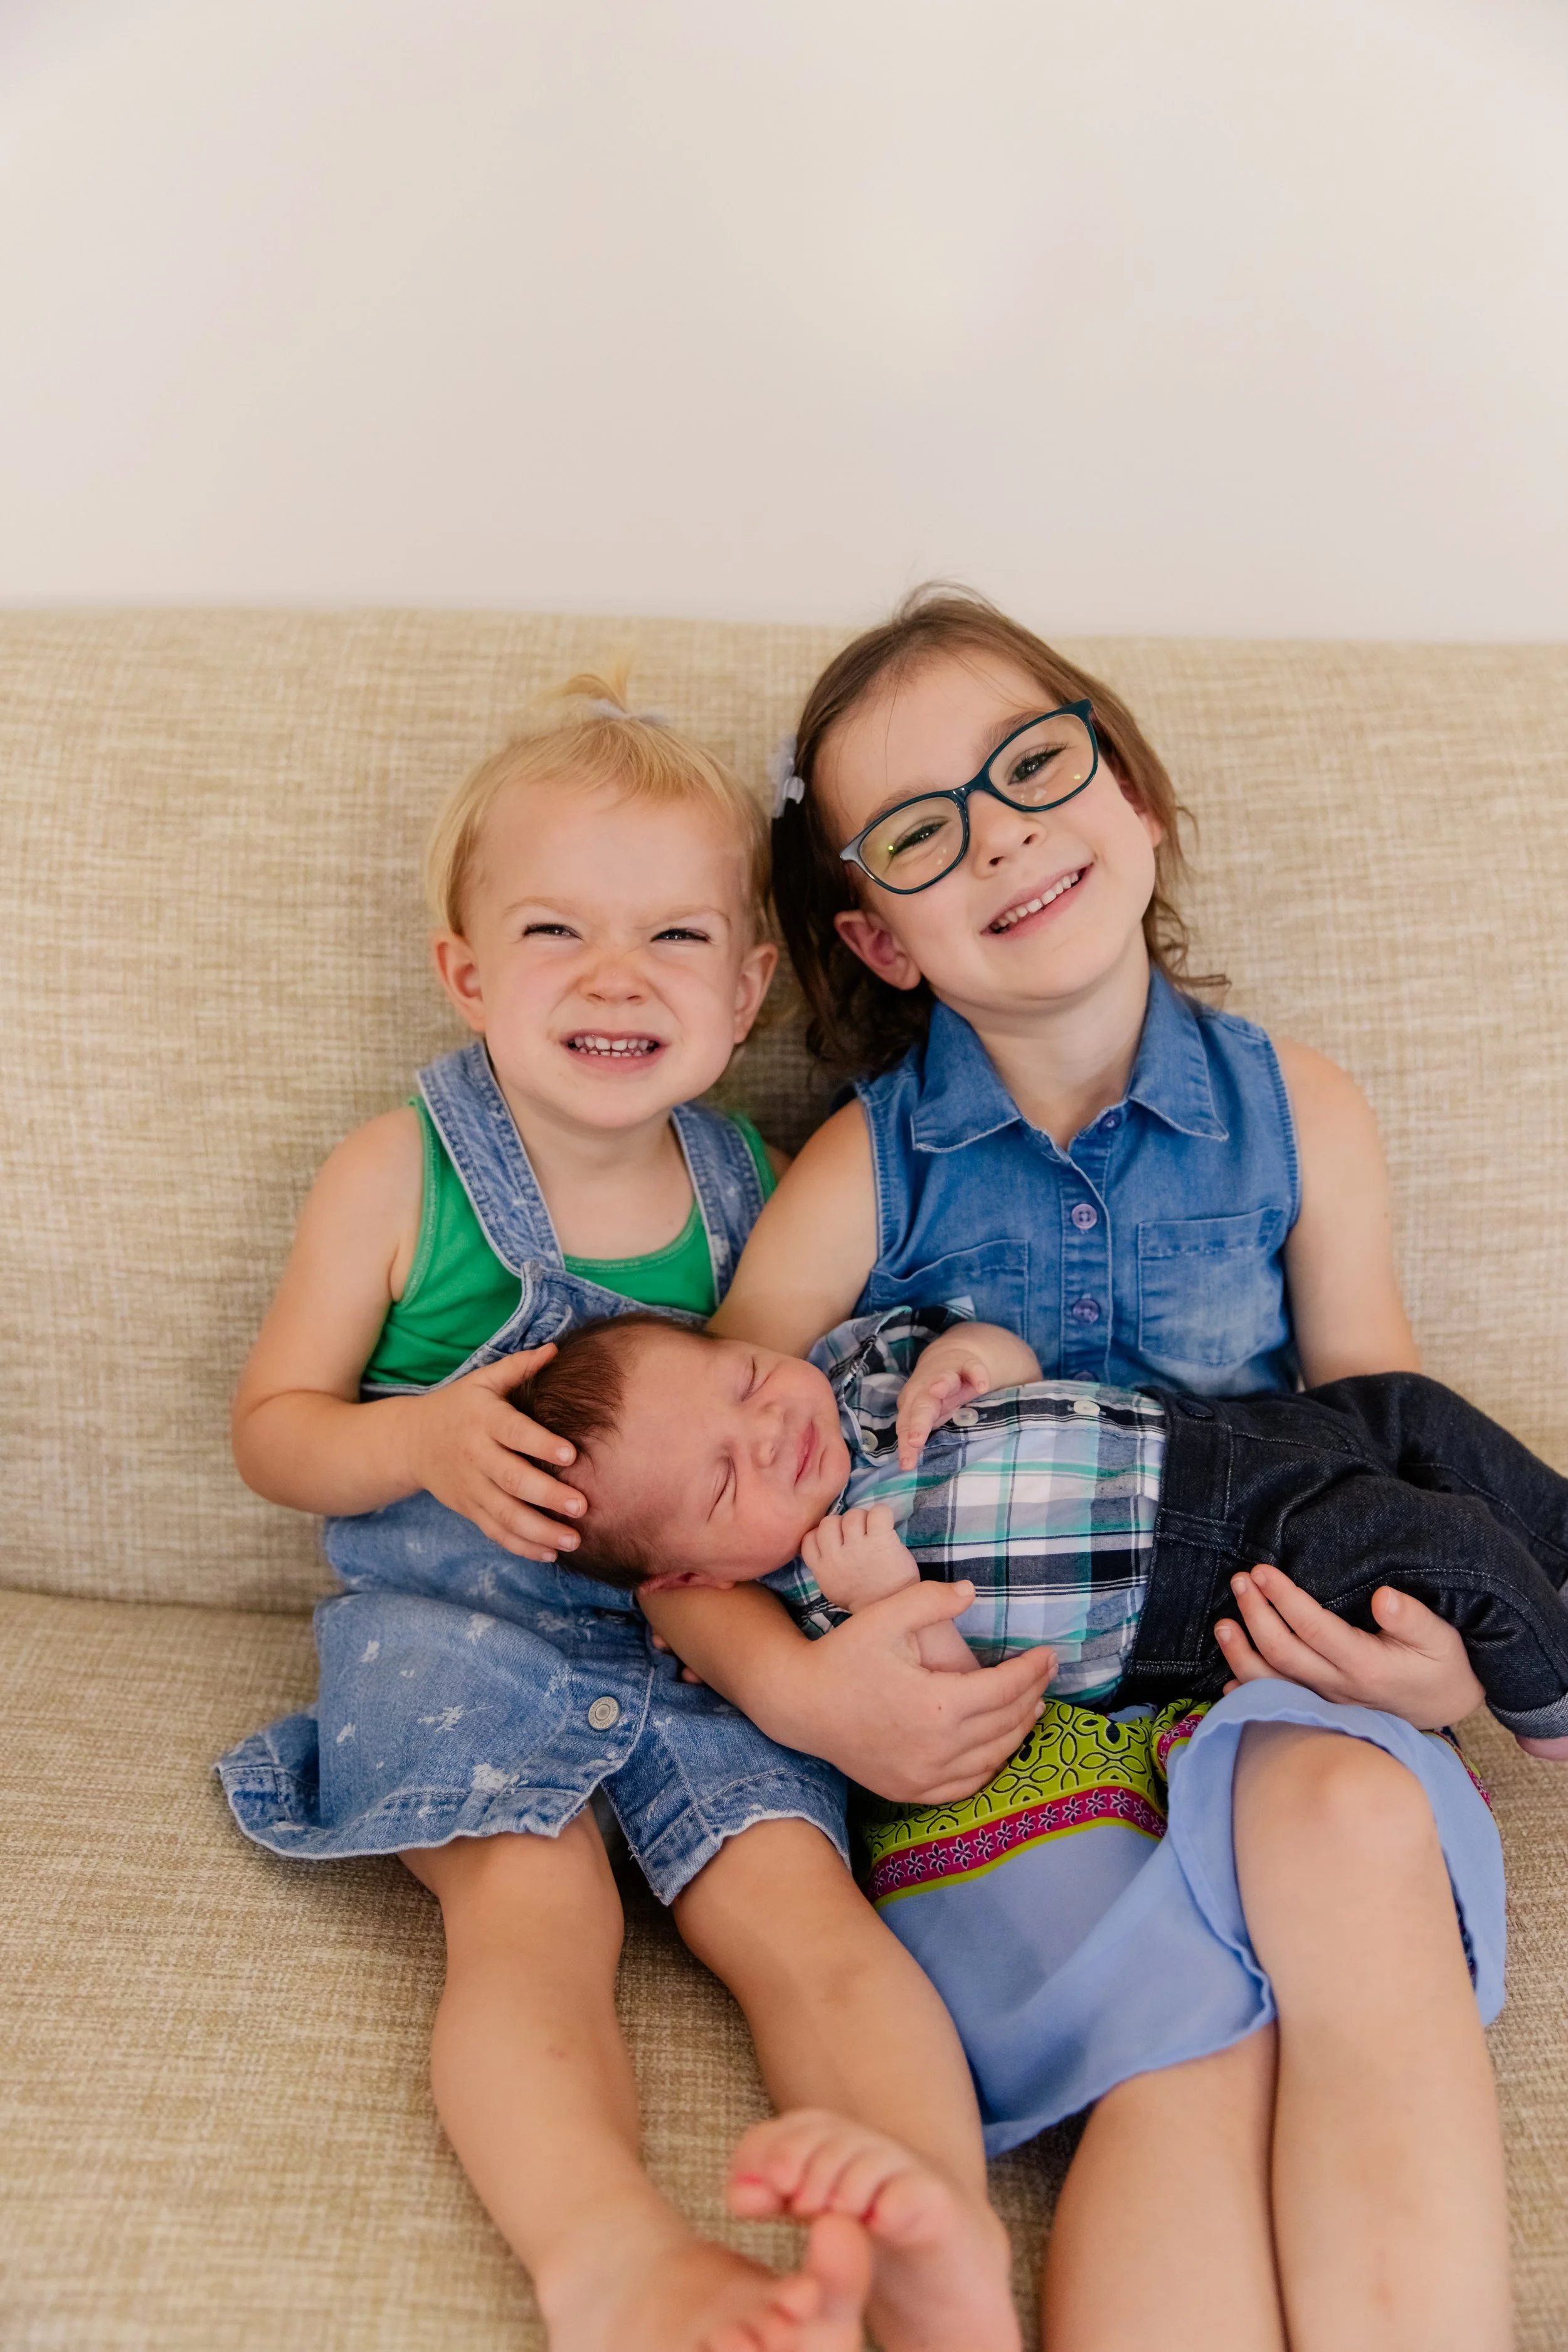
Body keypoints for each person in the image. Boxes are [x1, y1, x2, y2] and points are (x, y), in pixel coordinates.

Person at [633, 590, 1514, 2351]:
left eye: (1035, 765)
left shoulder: (1300, 1111)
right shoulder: (858, 1176)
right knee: (1196, 2037)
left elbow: (1388, 1427)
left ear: (1134, 795)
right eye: (919, 829)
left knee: (1338, 1815)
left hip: (1269, 1654)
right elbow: (688, 1525)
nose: (1004, 835)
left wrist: (1450, 1665)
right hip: (995, 1716)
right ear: (879, 939)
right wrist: (807, 1693)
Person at [217, 678, 1036, 2352]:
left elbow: (815, 1419)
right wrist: (420, 1439)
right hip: (455, 1628)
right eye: (553, 929)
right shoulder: (399, 1172)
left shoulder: (755, 1189)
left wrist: (966, 1366)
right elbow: (273, 1434)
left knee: (802, 1906)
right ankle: (609, 2258)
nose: (615, 974)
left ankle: (929, 2255)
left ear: (747, 987)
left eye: (673, 933)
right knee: (534, 1911)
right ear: (463, 971)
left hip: (690, 1628)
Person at [514, 1305, 1568, 1757]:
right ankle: (1549, 1705)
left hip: (1217, 1434)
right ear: (697, 1572)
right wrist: (889, 1600)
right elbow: (948, 1698)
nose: (769, 1429)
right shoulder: (813, 1596)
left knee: (1412, 1412)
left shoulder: (854, 1372)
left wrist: (971, 1359)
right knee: (1432, 1544)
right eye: (721, 1481)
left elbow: (1000, 1355)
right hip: (1194, 1584)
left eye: (743, 1380)